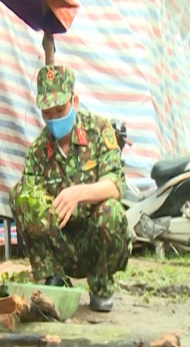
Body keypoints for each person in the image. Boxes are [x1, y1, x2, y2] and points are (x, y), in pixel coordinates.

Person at [9, 65, 131, 312]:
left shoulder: (99, 130)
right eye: (48, 112)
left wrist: (78, 193)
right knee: (20, 197)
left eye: (60, 110)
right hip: (60, 244)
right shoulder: (38, 151)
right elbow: (28, 201)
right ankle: (53, 278)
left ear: (75, 100)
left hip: (95, 241)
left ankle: (101, 285)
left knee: (112, 210)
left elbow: (116, 185)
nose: (54, 118)